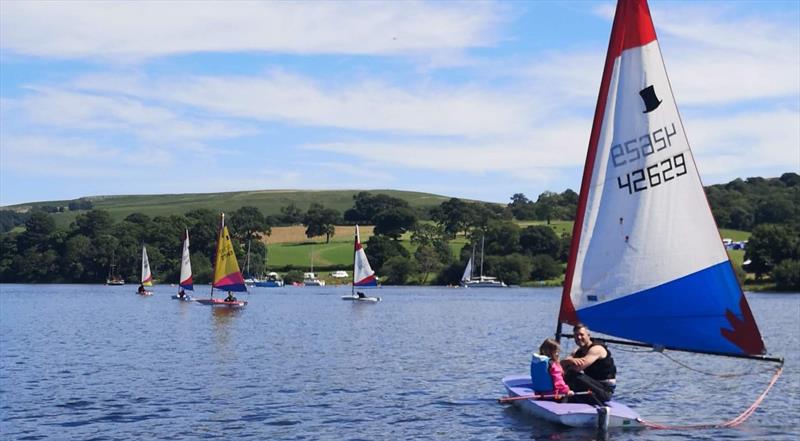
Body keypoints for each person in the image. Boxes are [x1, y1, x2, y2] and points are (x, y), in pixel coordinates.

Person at [561, 323, 617, 403]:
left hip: (605, 390)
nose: (579, 337)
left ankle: (565, 400)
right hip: (593, 385)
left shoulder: (596, 349)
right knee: (563, 373)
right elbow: (560, 366)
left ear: (588, 335)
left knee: (572, 374)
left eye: (581, 334)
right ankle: (561, 396)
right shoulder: (577, 351)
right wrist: (567, 361)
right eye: (576, 335)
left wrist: (568, 364)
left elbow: (577, 368)